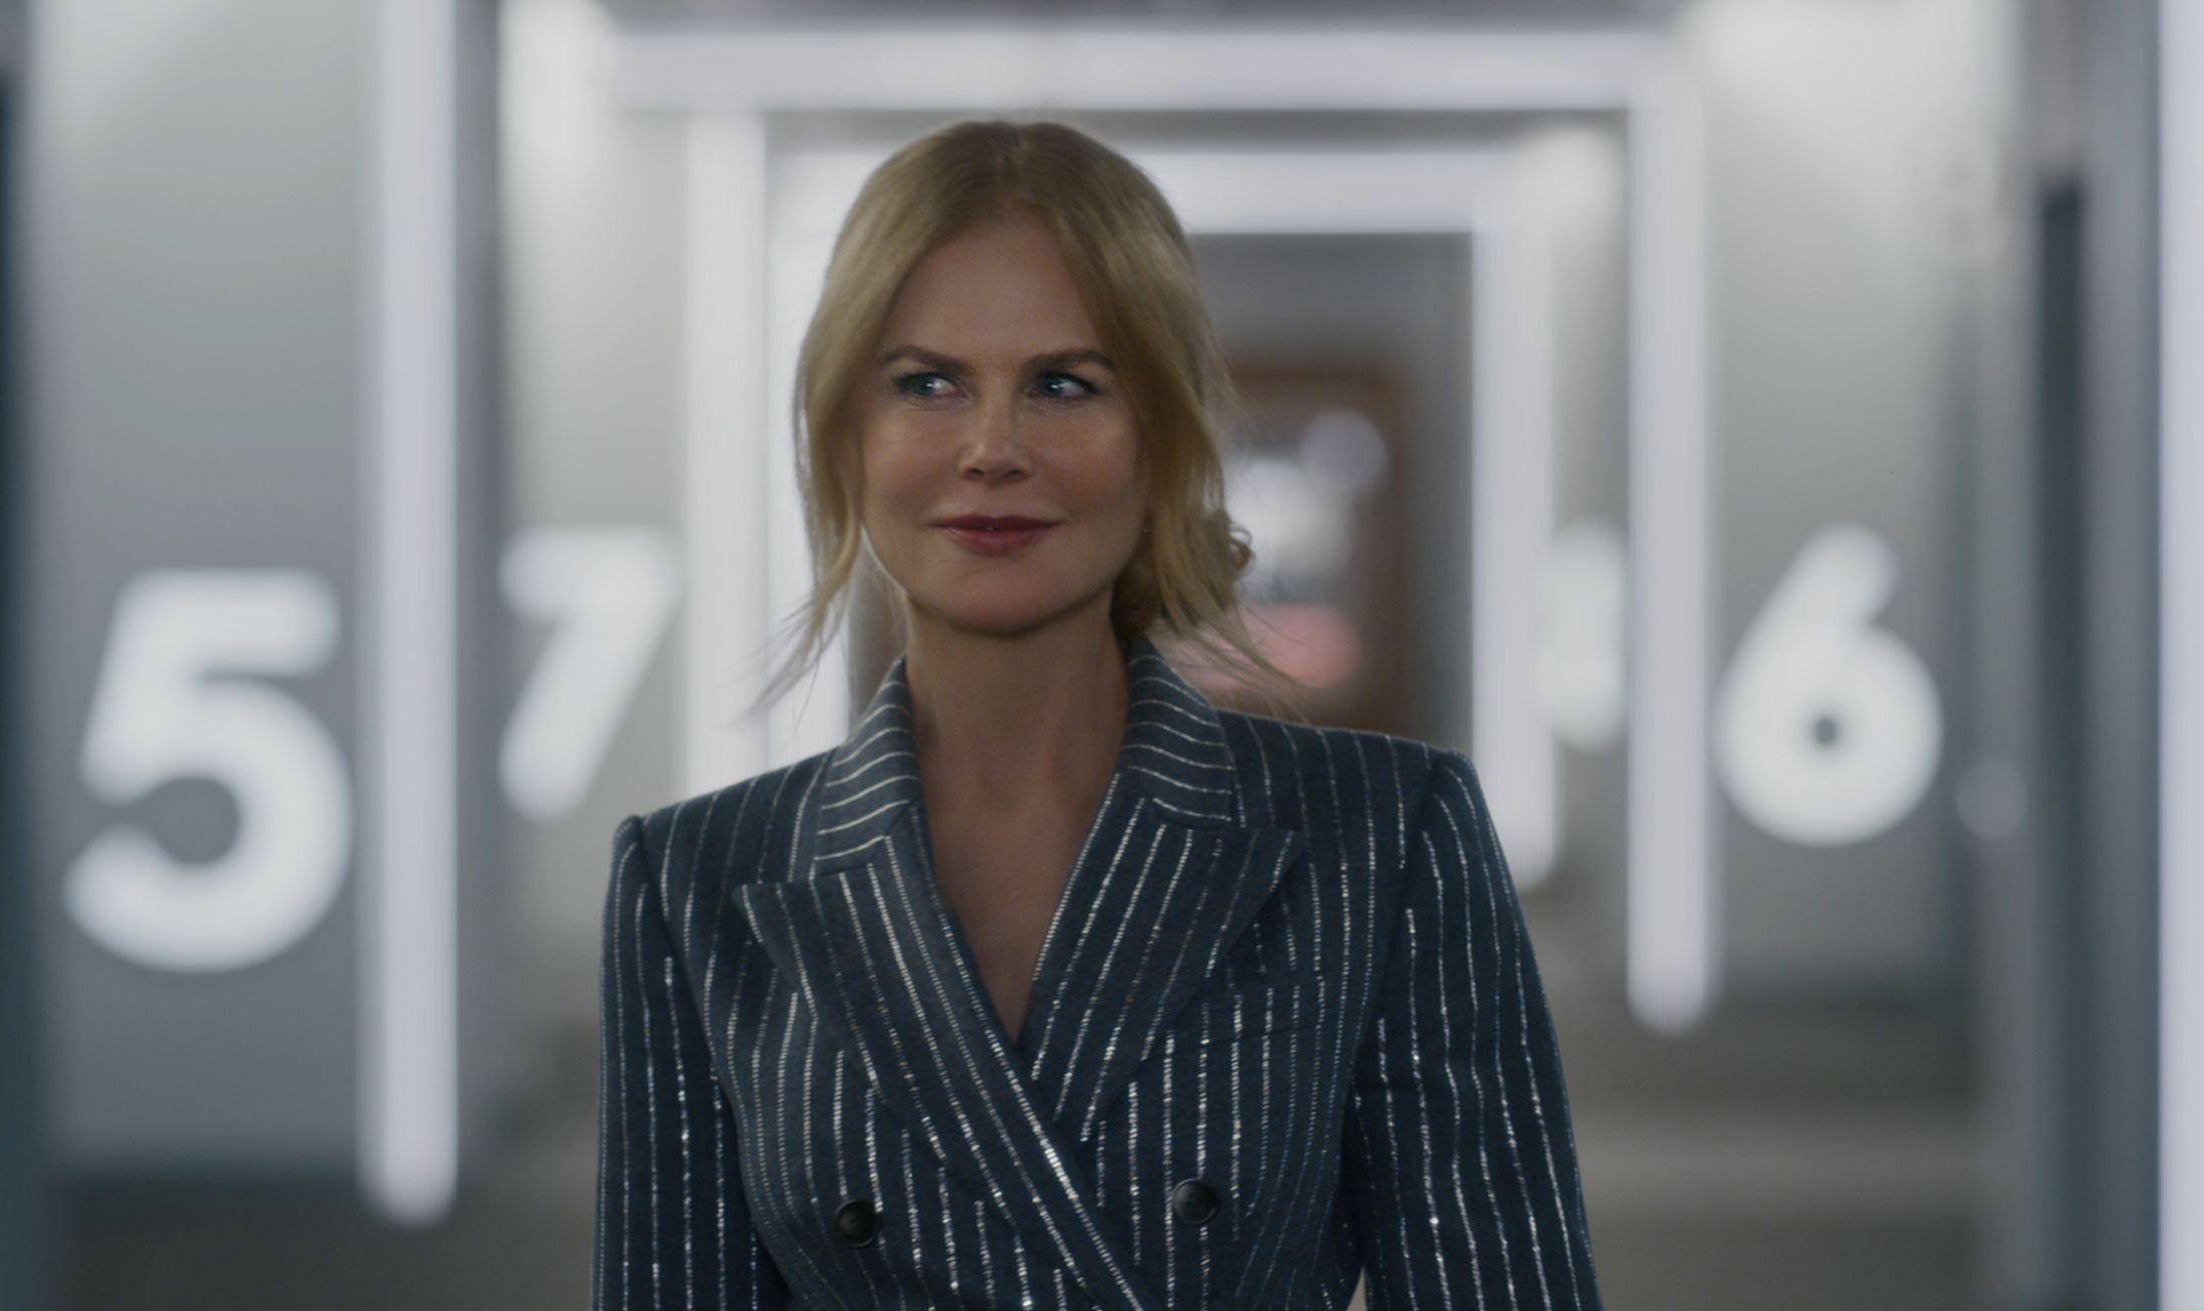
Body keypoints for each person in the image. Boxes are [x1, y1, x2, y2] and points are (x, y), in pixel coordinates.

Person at [595, 119, 1602, 1310]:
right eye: (926, 384)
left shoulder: (1386, 836)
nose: (992, 449)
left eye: (1063, 385)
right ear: (843, 435)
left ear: (1162, 440)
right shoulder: (696, 883)